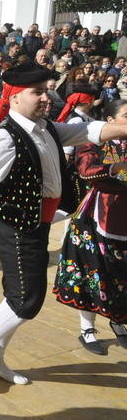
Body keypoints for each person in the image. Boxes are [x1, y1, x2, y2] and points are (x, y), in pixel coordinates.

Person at [0, 61, 127, 391]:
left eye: (47, 91)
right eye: (37, 92)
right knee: (26, 300)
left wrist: (121, 127)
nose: (46, 97)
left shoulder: (46, 127)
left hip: (37, 222)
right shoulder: (6, 137)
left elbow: (90, 131)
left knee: (18, 295)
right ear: (15, 98)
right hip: (16, 226)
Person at [54, 99, 127, 354]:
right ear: (110, 121)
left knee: (121, 275)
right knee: (93, 273)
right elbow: (86, 169)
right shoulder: (94, 140)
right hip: (95, 219)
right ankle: (87, 328)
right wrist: (117, 168)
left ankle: (118, 321)